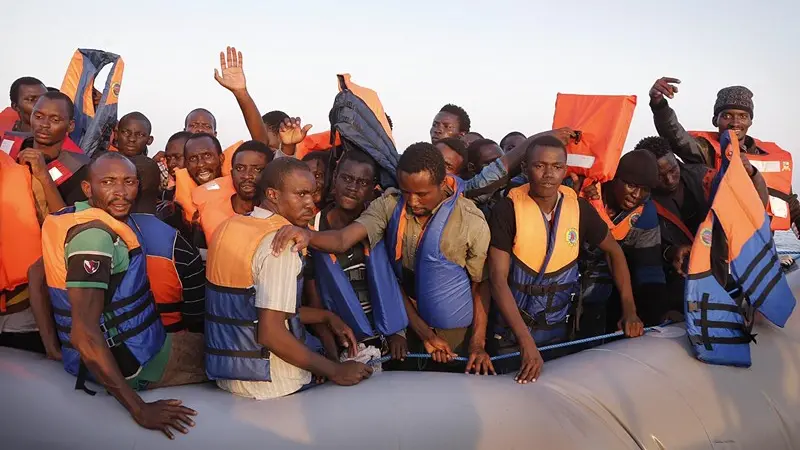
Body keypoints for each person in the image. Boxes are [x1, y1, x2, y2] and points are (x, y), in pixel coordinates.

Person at [270, 143, 495, 375]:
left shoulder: (471, 221)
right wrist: (307, 234)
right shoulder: (389, 206)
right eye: (406, 191)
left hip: (457, 332)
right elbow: (342, 240)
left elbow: (481, 284)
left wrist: (478, 345)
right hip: (410, 327)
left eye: (422, 194)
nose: (413, 201)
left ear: (442, 183)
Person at [39, 153, 205, 439]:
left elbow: (35, 274)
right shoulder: (95, 239)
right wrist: (139, 409)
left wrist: (53, 346)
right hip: (134, 363)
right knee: (227, 354)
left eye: (128, 182)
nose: (120, 192)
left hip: (100, 354)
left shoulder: (70, 217)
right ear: (88, 189)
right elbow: (84, 334)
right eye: (108, 182)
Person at [206, 158, 373, 399]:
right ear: (272, 194)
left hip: (228, 378)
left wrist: (326, 316)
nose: (311, 204)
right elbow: (269, 332)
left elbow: (250, 309)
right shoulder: (283, 245)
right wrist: (336, 370)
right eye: (301, 195)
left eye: (312, 194)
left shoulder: (228, 227)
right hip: (274, 383)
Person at [488, 136, 644, 383]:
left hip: (558, 332)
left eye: (557, 167)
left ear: (565, 170)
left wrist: (629, 310)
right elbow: (497, 280)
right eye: (540, 166)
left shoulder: (578, 208)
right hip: (511, 337)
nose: (548, 174)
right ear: (526, 168)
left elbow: (614, 252)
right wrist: (526, 343)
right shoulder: (506, 209)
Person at [635, 136, 770, 312]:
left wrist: (752, 174)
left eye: (672, 170)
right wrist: (671, 252)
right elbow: (640, 250)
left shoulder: (704, 177)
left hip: (723, 269)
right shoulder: (640, 201)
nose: (669, 179)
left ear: (676, 160)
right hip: (677, 280)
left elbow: (755, 205)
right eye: (660, 176)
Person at [649, 78, 797, 232]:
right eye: (727, 116)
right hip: (714, 240)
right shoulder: (704, 150)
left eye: (742, 116)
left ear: (750, 121)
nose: (735, 122)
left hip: (758, 244)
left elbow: (789, 202)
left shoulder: (768, 157)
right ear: (715, 120)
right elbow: (675, 136)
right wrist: (659, 104)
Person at [304, 150, 409, 361]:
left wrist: (399, 332)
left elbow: (393, 280)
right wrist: (329, 348)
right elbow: (312, 294)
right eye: (347, 178)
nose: (353, 187)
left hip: (387, 337)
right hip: (341, 338)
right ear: (334, 178)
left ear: (373, 188)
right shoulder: (311, 227)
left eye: (362, 182)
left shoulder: (381, 223)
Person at [579, 150, 668, 330]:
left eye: (645, 189)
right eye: (631, 185)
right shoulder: (582, 194)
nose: (637, 194)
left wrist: (652, 316)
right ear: (614, 178)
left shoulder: (645, 212)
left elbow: (649, 268)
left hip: (601, 295)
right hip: (561, 289)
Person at [16, 92, 89, 210]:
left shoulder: (81, 170)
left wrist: (44, 176)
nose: (44, 125)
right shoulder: (10, 148)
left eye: (55, 120)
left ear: (70, 126)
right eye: (38, 117)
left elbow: (68, 221)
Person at [196, 140, 274, 244]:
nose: (247, 175)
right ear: (232, 173)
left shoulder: (278, 214)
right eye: (240, 168)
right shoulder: (208, 213)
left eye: (257, 169)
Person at [159, 131, 192, 202]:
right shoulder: (168, 191)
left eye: (177, 157)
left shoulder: (207, 189)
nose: (171, 164)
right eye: (168, 158)